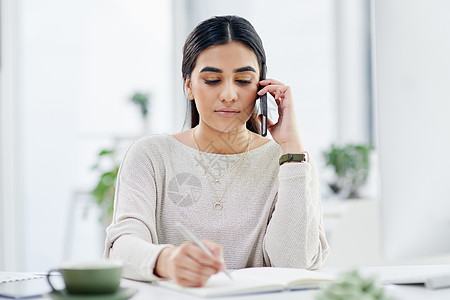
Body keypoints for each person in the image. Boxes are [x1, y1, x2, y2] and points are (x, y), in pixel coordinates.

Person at [104, 15, 329, 287]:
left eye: (244, 80)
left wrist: (292, 151)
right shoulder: (151, 156)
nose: (229, 94)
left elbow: (293, 265)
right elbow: (122, 248)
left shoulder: (290, 163)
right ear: (189, 85)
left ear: (261, 87)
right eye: (212, 80)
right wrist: (168, 261)